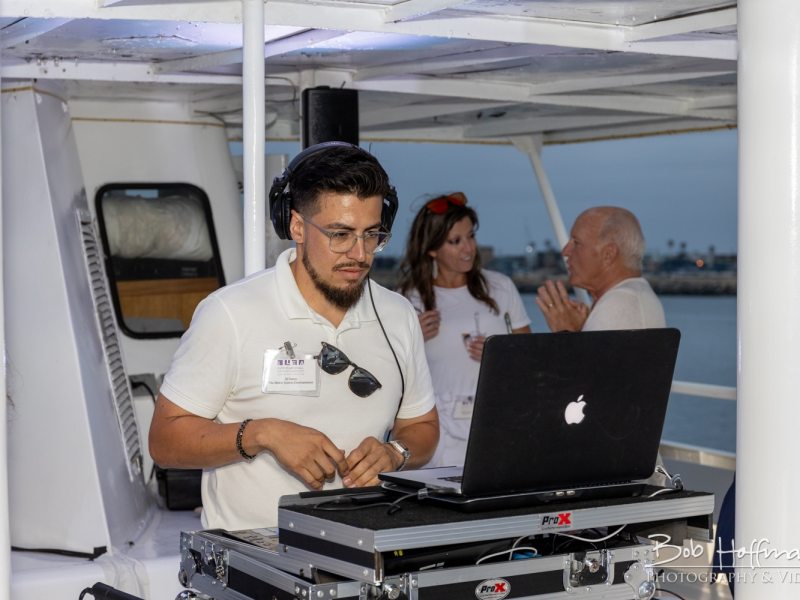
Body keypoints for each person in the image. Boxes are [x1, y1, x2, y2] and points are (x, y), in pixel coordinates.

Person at [148, 143, 439, 531]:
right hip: (256, 564)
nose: (359, 254)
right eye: (340, 234)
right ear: (296, 226)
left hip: (361, 553)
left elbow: (422, 427)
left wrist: (395, 453)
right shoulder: (229, 313)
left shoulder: (398, 315)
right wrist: (262, 433)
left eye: (372, 235)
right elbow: (164, 441)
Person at [397, 192, 530, 467]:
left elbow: (529, 358)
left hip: (496, 422)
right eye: (455, 241)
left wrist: (499, 355)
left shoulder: (501, 287)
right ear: (432, 248)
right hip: (436, 431)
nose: (468, 248)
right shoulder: (408, 299)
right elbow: (390, 373)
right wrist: (412, 339)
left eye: (471, 236)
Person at [537, 206, 665, 332]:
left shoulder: (616, 304)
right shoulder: (638, 295)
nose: (565, 252)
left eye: (576, 243)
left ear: (608, 254)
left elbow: (588, 354)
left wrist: (564, 332)